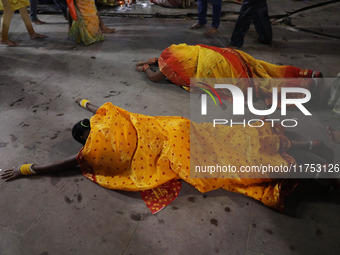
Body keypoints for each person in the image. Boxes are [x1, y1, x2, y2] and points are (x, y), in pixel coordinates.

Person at [1, 99, 334, 212]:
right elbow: (101, 104)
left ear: (83, 141)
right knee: (234, 140)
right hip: (180, 130)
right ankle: (308, 149)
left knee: (231, 169)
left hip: (176, 156)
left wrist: (26, 169)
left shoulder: (89, 153)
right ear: (92, 123)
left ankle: (311, 172)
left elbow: (62, 166)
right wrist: (85, 103)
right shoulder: (111, 117)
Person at [135, 43, 322, 105]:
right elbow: (159, 60)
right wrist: (150, 61)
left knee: (256, 85)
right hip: (227, 54)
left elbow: (153, 77)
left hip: (215, 69)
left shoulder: (166, 68)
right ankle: (308, 74)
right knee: (262, 67)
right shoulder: (176, 50)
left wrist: (145, 68)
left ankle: (305, 87)